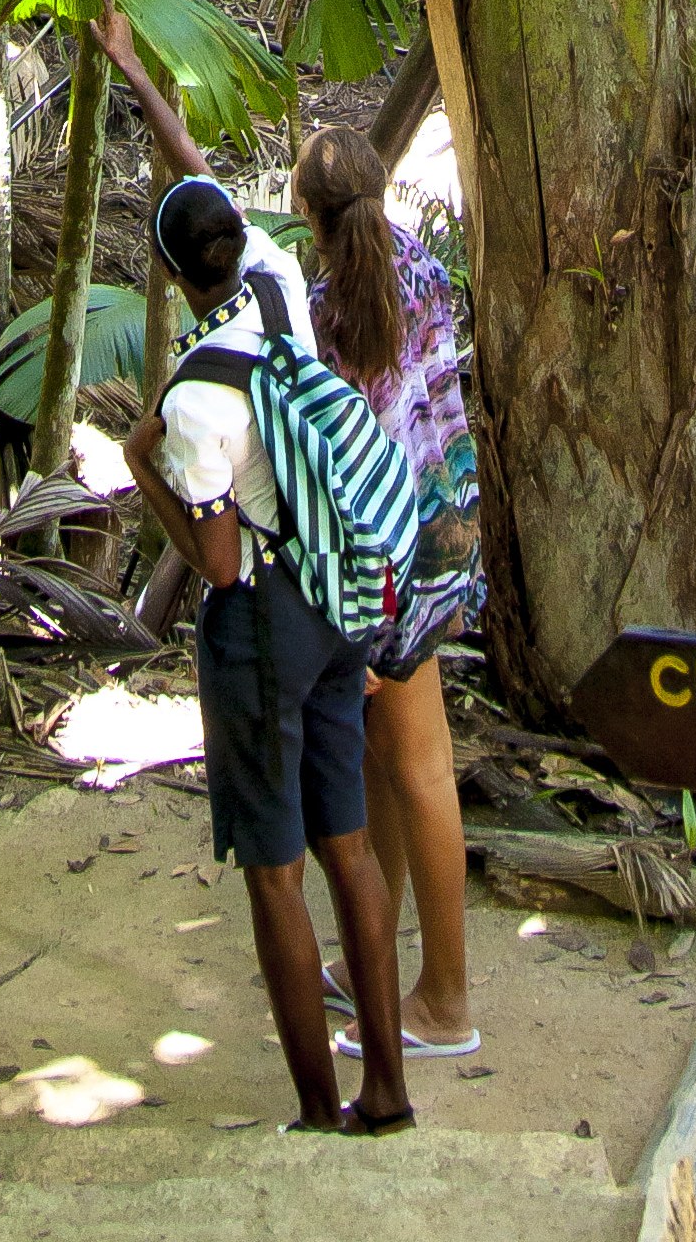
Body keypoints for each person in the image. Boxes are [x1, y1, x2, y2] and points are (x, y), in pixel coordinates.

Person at [101, 26, 412, 1139]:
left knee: (275, 872)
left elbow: (217, 560)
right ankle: (387, 1089)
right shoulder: (280, 282)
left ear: (171, 275)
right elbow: (196, 172)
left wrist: (140, 466)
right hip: (336, 595)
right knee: (347, 844)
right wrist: (140, 74)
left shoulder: (192, 399)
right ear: (236, 243)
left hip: (265, 621)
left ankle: (318, 1112)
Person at [294, 126, 484, 1065]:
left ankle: (445, 999)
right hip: (446, 526)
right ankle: (377, 946)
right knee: (387, 757)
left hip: (384, 564)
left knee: (422, 767)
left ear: (307, 214)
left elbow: (340, 466)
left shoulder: (324, 310)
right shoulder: (420, 267)